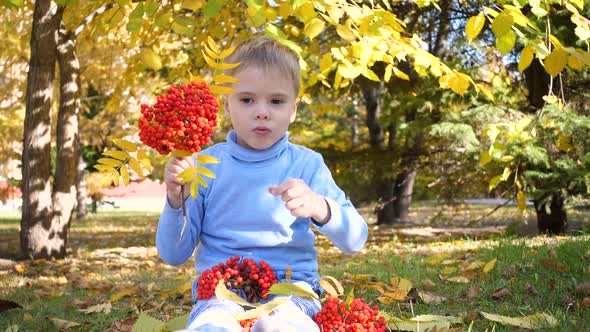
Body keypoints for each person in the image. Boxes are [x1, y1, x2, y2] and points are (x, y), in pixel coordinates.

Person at [156, 36, 368, 332]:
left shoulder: (307, 165)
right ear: (227, 106)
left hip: (292, 289)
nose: (262, 111)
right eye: (247, 99)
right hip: (221, 288)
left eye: (276, 101)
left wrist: (320, 207)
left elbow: (355, 239)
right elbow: (172, 253)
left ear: (293, 110)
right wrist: (175, 200)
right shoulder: (202, 166)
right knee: (213, 323)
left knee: (287, 324)